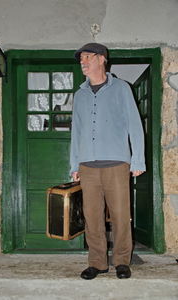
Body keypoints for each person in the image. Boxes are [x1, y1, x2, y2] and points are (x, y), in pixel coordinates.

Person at [70, 43, 146, 280]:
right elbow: (77, 131)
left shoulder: (122, 88)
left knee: (121, 214)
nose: (83, 61)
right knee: (92, 217)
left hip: (116, 162)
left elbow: (135, 124)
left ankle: (122, 261)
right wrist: (74, 165)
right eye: (81, 58)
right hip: (88, 165)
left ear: (102, 59)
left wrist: (138, 160)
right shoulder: (79, 95)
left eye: (87, 57)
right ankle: (98, 263)